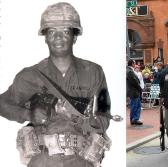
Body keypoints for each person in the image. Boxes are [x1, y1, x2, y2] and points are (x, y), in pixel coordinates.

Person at [0, 2, 112, 167]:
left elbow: (104, 117)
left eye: (65, 31)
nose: (58, 38)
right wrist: (29, 115)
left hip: (81, 161)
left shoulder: (94, 72)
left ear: (74, 37)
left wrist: (76, 118)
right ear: (45, 37)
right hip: (42, 161)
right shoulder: (30, 75)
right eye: (52, 32)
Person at [126, 59, 143, 125]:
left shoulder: (129, 70)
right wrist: (140, 88)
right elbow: (134, 82)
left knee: (136, 105)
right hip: (134, 91)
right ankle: (134, 119)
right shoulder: (129, 71)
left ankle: (134, 119)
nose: (135, 64)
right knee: (135, 105)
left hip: (133, 90)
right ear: (132, 64)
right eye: (134, 63)